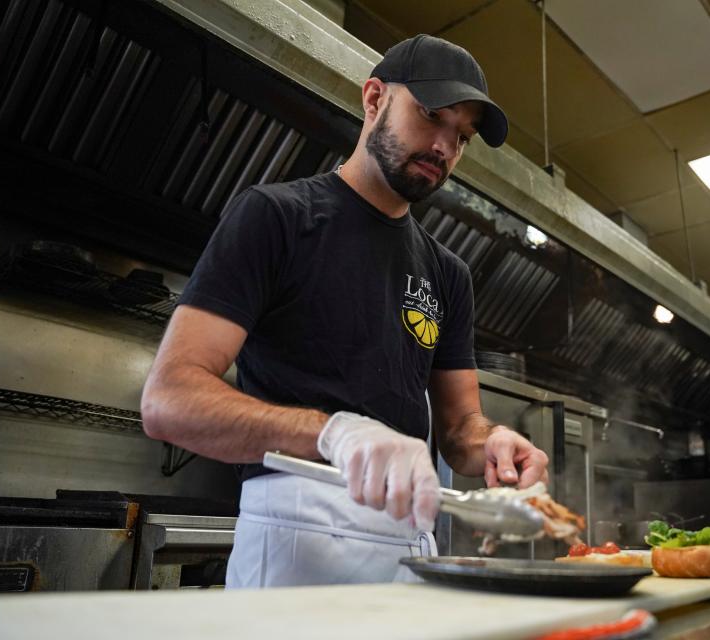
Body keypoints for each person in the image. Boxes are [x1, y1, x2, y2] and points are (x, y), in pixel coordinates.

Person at [140, 34, 549, 587]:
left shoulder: (448, 273)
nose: (444, 148)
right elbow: (169, 400)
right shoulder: (277, 217)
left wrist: (494, 443)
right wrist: (333, 432)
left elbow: (458, 428)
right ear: (374, 98)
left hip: (409, 546)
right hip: (294, 546)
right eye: (431, 115)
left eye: (462, 137)